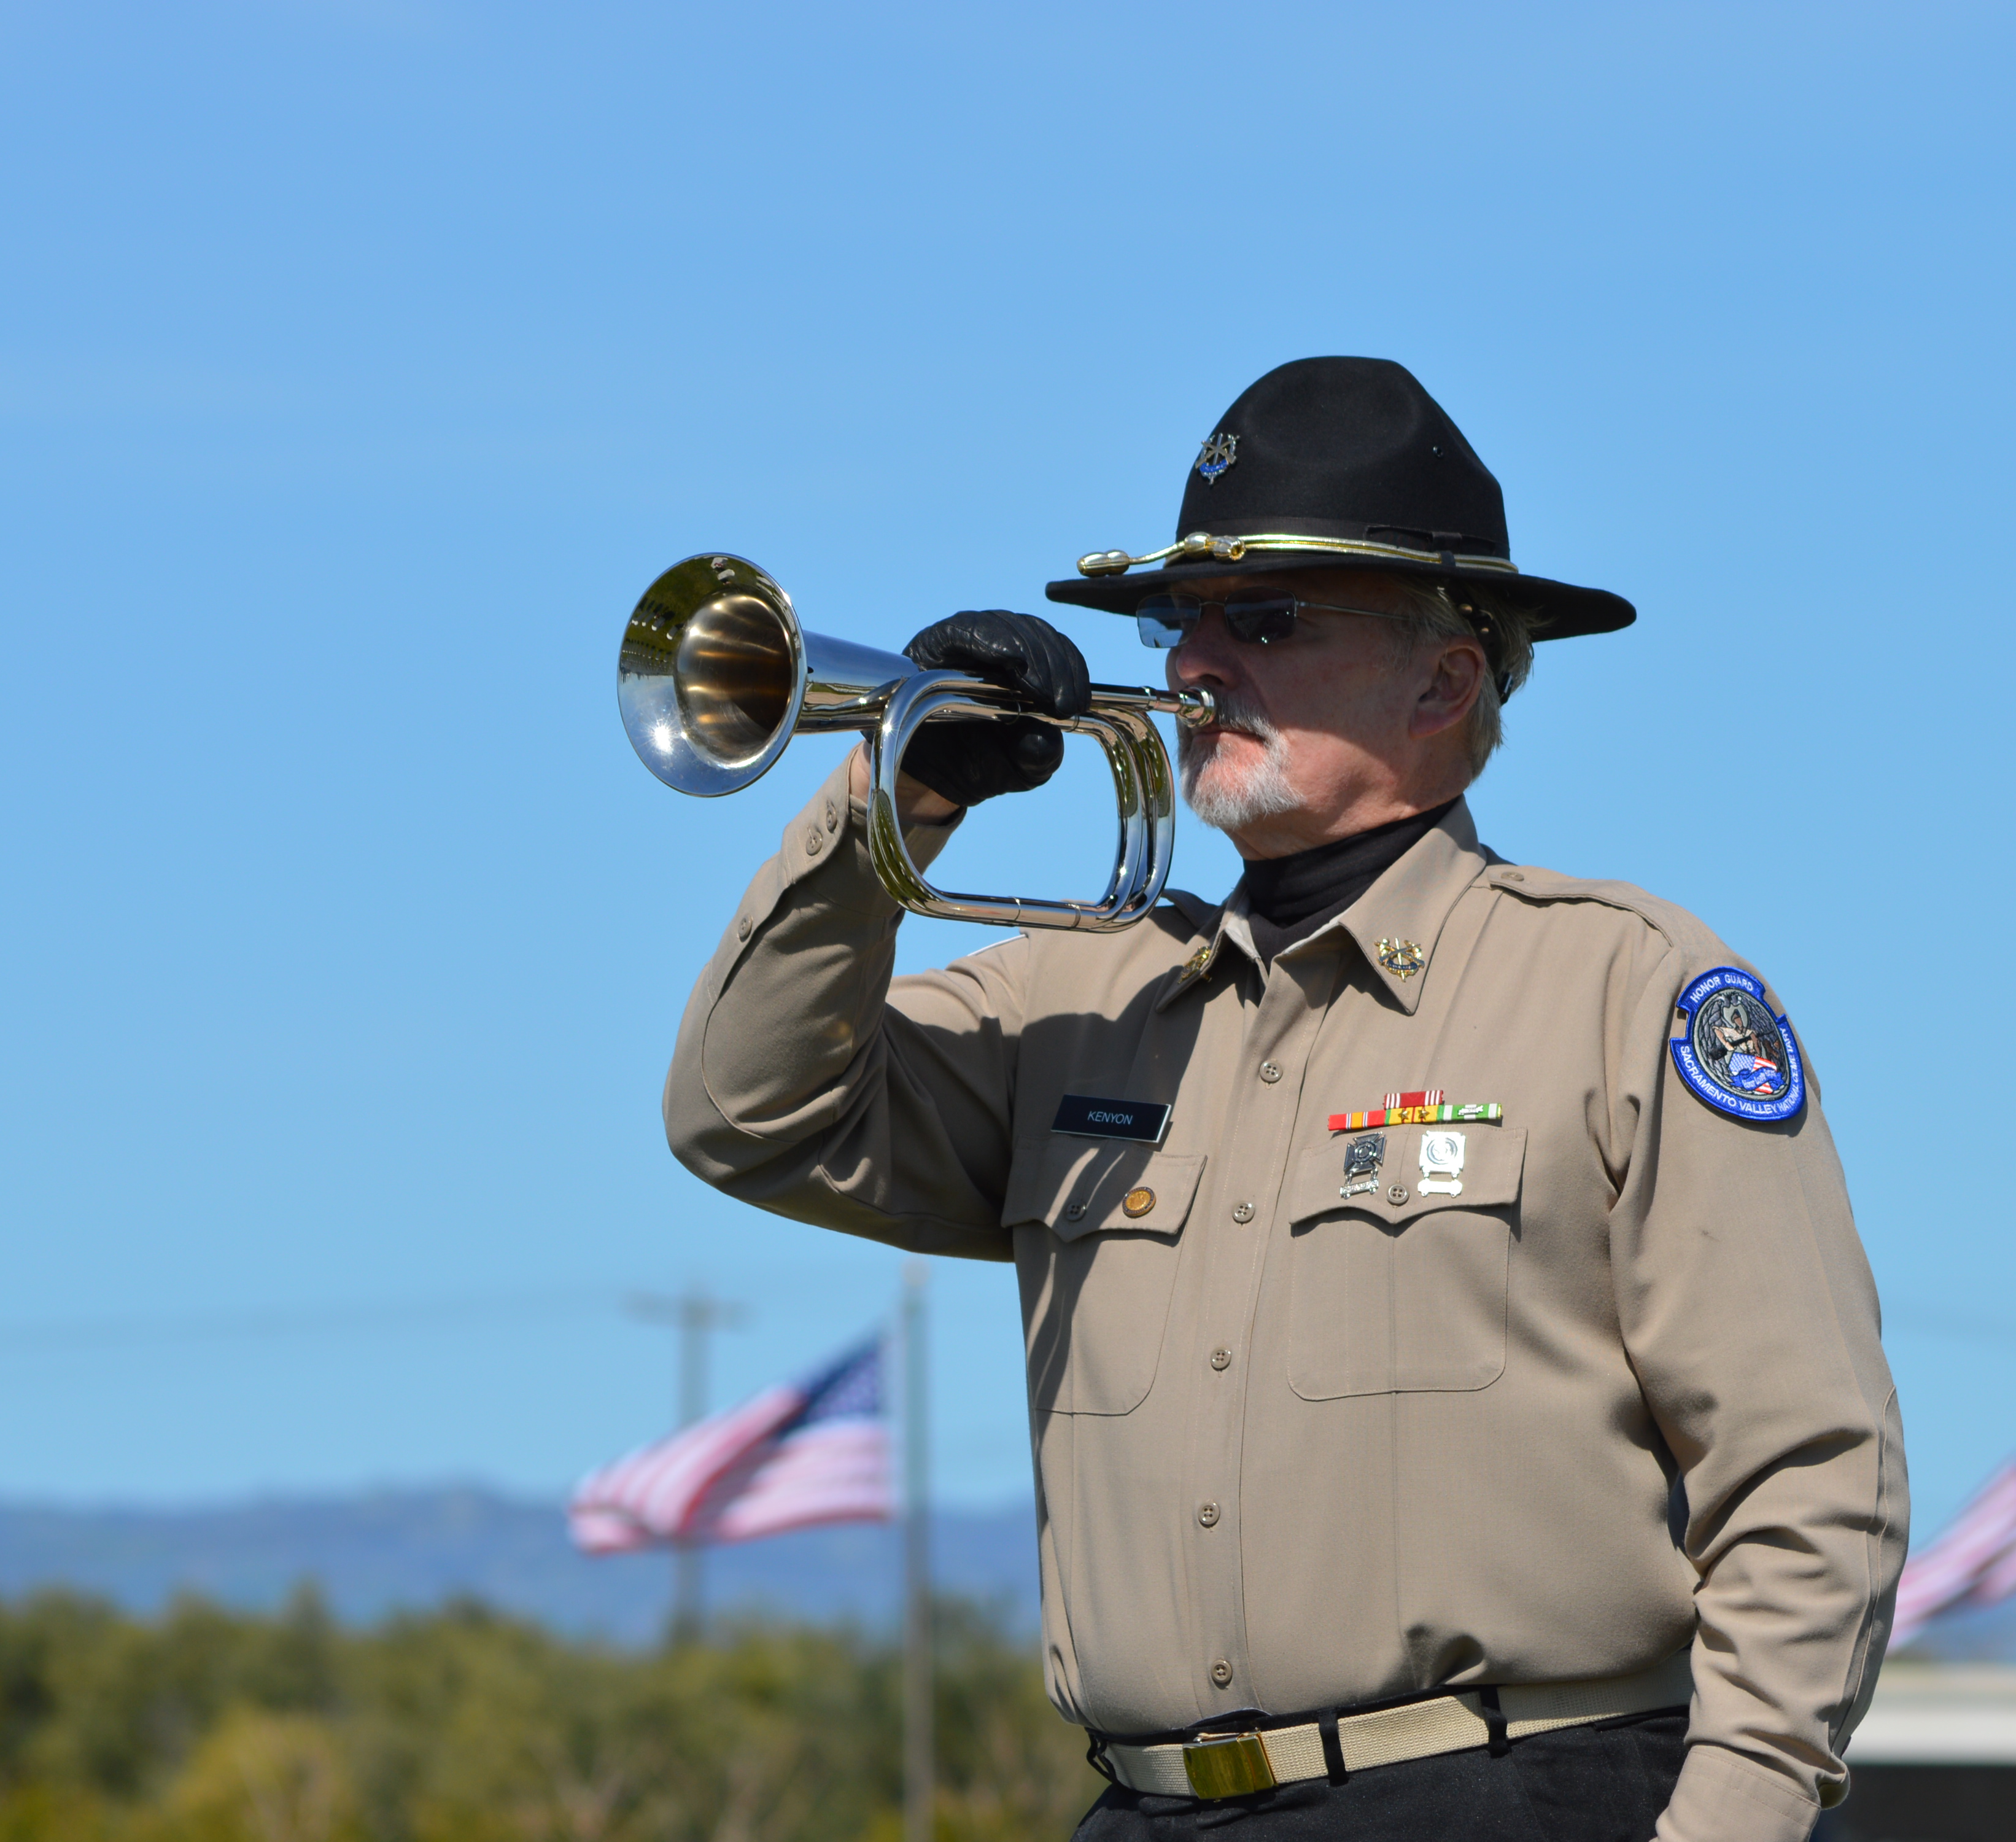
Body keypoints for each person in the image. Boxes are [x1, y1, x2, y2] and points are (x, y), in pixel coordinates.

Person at [662, 357, 1906, 1842]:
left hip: (1511, 1798)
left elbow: (1809, 1471)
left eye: (1263, 620)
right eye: (1176, 618)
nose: (1193, 664)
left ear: (1446, 676)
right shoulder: (1083, 996)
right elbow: (748, 1114)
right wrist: (896, 798)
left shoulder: (1626, 991)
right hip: (1142, 1807)